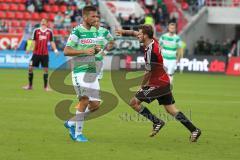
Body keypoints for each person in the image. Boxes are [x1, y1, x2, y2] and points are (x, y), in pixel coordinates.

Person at [115, 24, 201, 142]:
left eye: (140, 34)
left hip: (156, 84)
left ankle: (157, 122)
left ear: (145, 36)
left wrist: (142, 86)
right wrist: (123, 32)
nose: (138, 35)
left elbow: (148, 72)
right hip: (164, 82)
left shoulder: (151, 51)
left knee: (134, 102)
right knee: (171, 110)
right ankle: (194, 130)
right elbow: (134, 33)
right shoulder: (152, 40)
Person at [63, 6, 101, 142]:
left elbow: (91, 50)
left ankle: (71, 123)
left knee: (95, 105)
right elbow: (66, 51)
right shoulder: (77, 31)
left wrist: (96, 50)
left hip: (91, 72)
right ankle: (78, 134)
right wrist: (84, 52)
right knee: (84, 100)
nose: (95, 19)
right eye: (93, 16)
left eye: (96, 16)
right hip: (79, 71)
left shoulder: (94, 32)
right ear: (85, 17)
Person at [23, 18, 58, 91]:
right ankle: (30, 86)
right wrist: (29, 49)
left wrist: (55, 50)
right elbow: (33, 41)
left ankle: (45, 87)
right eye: (42, 21)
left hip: (45, 54)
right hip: (36, 54)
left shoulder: (49, 32)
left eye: (44, 21)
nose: (43, 22)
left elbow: (52, 42)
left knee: (46, 70)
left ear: (47, 23)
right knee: (30, 68)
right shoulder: (36, 31)